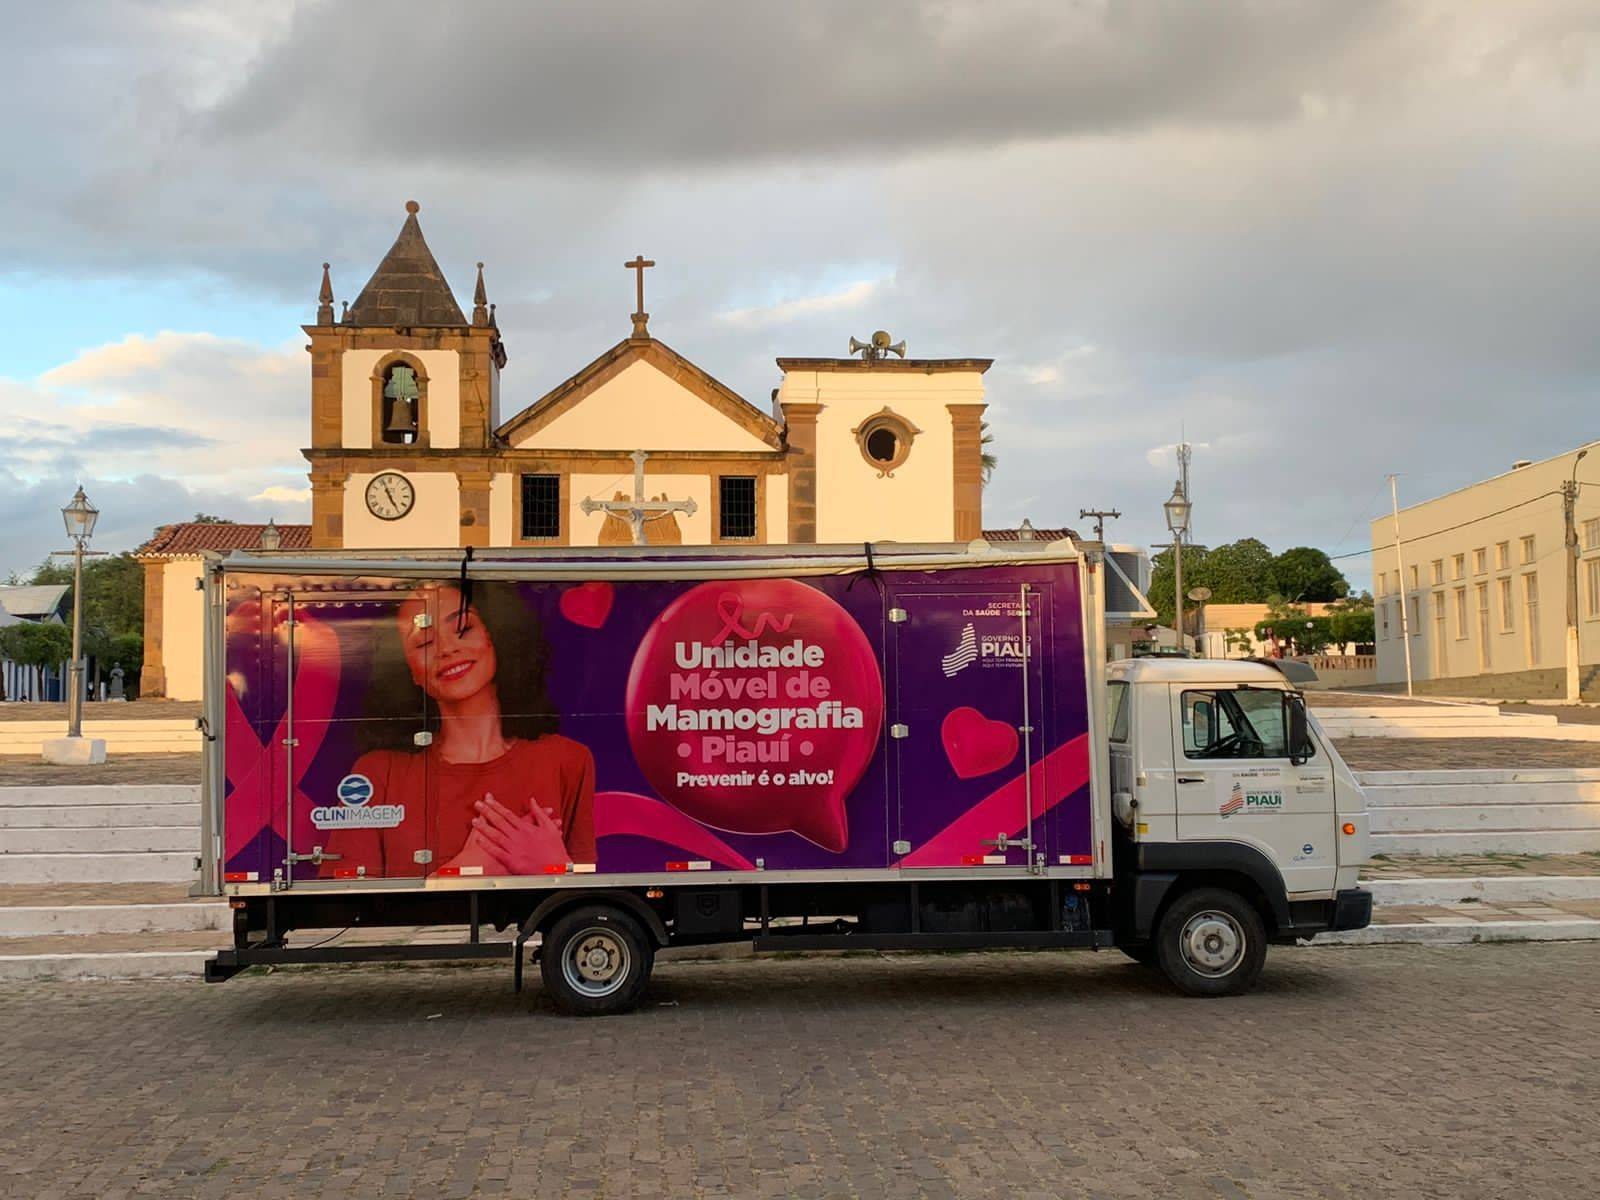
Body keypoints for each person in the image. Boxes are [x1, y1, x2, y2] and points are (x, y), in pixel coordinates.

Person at [322, 582, 594, 877]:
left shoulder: (568, 761)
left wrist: (554, 866)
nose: (447, 649)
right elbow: (347, 913)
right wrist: (459, 872)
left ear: (496, 637)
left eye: (463, 629)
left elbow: (583, 897)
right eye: (424, 643)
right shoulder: (377, 773)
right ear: (409, 670)